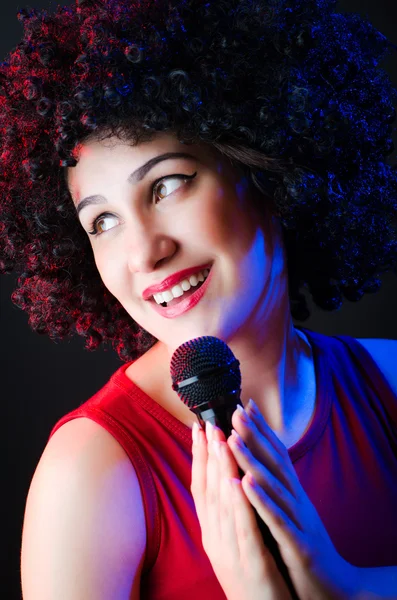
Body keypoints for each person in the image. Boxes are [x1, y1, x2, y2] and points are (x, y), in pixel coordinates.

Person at [0, 0, 396, 598]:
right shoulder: (90, 473)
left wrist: (346, 587)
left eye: (167, 184)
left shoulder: (389, 382)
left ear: (270, 167)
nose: (143, 253)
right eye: (102, 222)